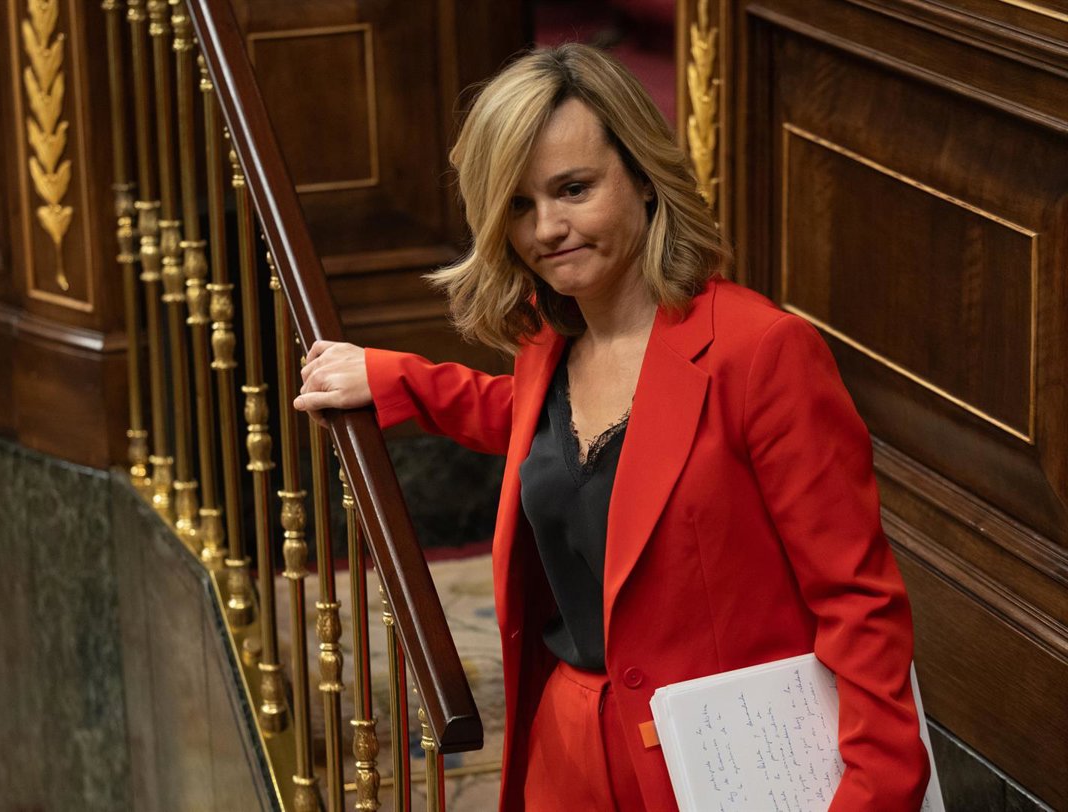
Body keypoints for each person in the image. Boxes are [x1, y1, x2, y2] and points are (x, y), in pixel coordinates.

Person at [294, 44, 931, 811]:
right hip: (565, 753)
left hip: (720, 768)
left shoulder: (763, 352)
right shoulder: (548, 341)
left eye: (574, 189)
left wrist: (875, 794)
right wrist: (399, 381)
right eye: (519, 205)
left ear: (643, 177)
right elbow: (550, 440)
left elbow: (859, 603)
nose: (547, 228)